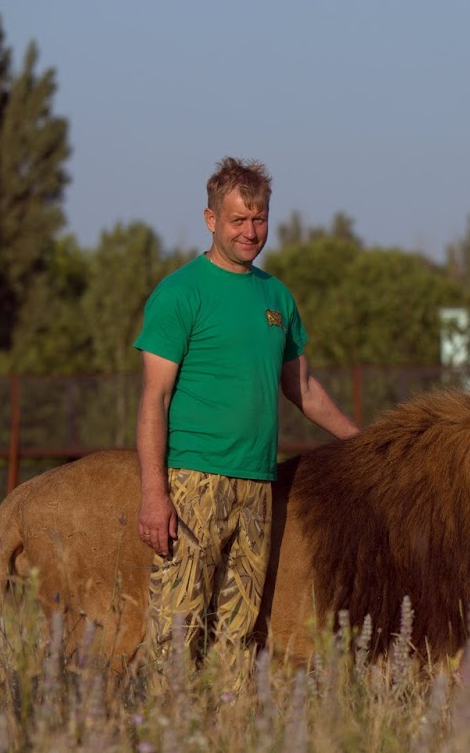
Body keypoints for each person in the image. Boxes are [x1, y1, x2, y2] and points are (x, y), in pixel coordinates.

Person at [133, 156, 359, 693]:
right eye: (237, 220)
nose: (249, 232)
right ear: (210, 220)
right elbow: (154, 398)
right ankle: (157, 729)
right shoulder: (180, 293)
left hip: (258, 486)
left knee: (242, 636)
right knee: (175, 633)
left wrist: (367, 443)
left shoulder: (276, 297)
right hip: (193, 484)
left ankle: (233, 735)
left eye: (258, 220)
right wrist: (153, 492)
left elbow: (301, 388)